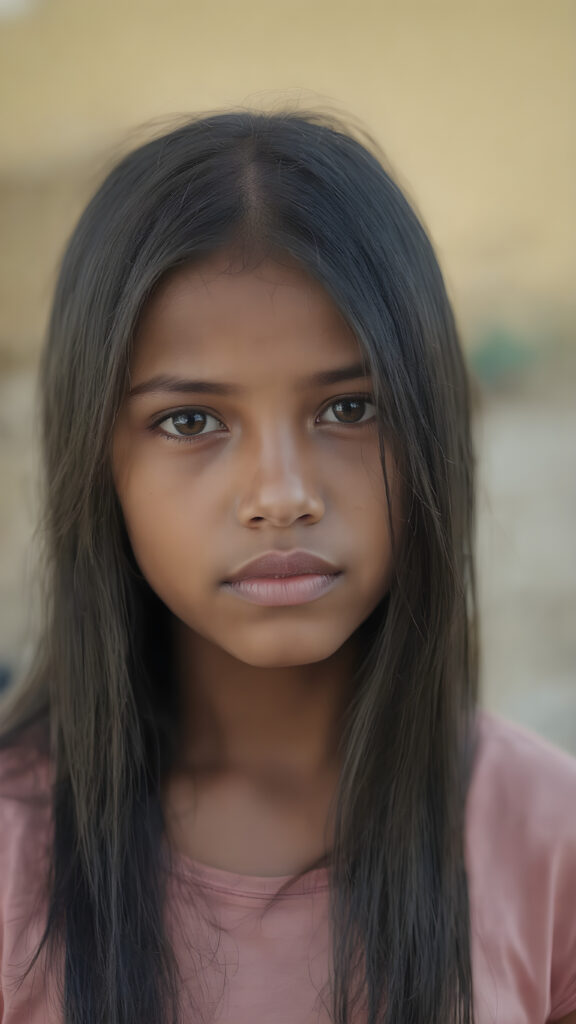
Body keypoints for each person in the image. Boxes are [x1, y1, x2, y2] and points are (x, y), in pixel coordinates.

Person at [0, 108, 574, 1024]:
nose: (281, 494)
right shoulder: (12, 848)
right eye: (192, 421)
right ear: (96, 464)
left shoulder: (549, 836)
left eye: (349, 410)